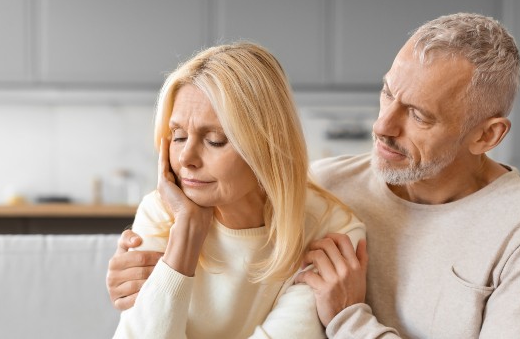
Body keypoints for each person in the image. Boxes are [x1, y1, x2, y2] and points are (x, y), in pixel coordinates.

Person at [108, 13, 520, 338]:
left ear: (486, 135)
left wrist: (350, 320)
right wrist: (143, 280)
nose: (382, 126)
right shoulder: (325, 185)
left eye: (417, 115)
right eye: (387, 94)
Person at [111, 42, 365, 338]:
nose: (185, 159)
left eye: (215, 140)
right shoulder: (161, 213)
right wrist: (187, 233)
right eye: (178, 136)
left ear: (268, 146)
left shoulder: (331, 232)